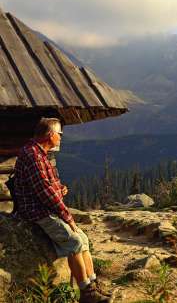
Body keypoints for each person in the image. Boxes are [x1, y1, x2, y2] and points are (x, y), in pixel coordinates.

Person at [13, 118, 111, 303]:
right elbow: (44, 192)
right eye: (60, 134)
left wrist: (60, 189)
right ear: (50, 135)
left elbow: (50, 186)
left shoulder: (40, 154)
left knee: (83, 239)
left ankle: (93, 285)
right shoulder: (33, 155)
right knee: (73, 240)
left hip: (45, 207)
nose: (61, 137)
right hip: (37, 211)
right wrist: (67, 216)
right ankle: (87, 294)